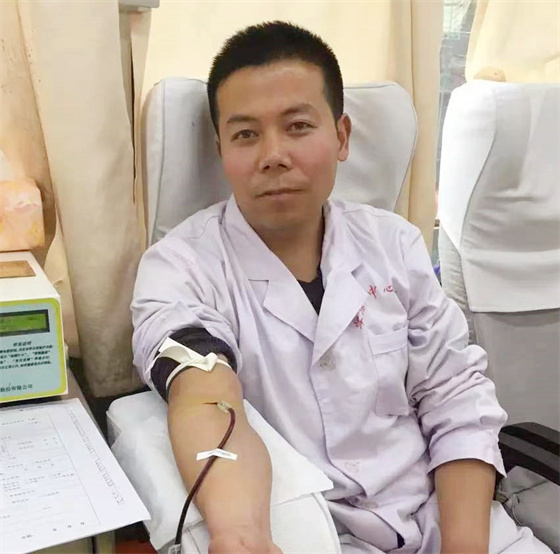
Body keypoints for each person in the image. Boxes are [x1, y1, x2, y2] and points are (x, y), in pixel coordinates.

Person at [131, 21, 551, 554]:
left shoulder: (395, 244)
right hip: (313, 532)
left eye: (298, 126)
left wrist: (464, 547)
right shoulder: (179, 266)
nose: (273, 154)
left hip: (447, 518)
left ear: (342, 136)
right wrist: (240, 534)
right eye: (246, 134)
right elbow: (205, 394)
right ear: (221, 150)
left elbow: (456, 399)